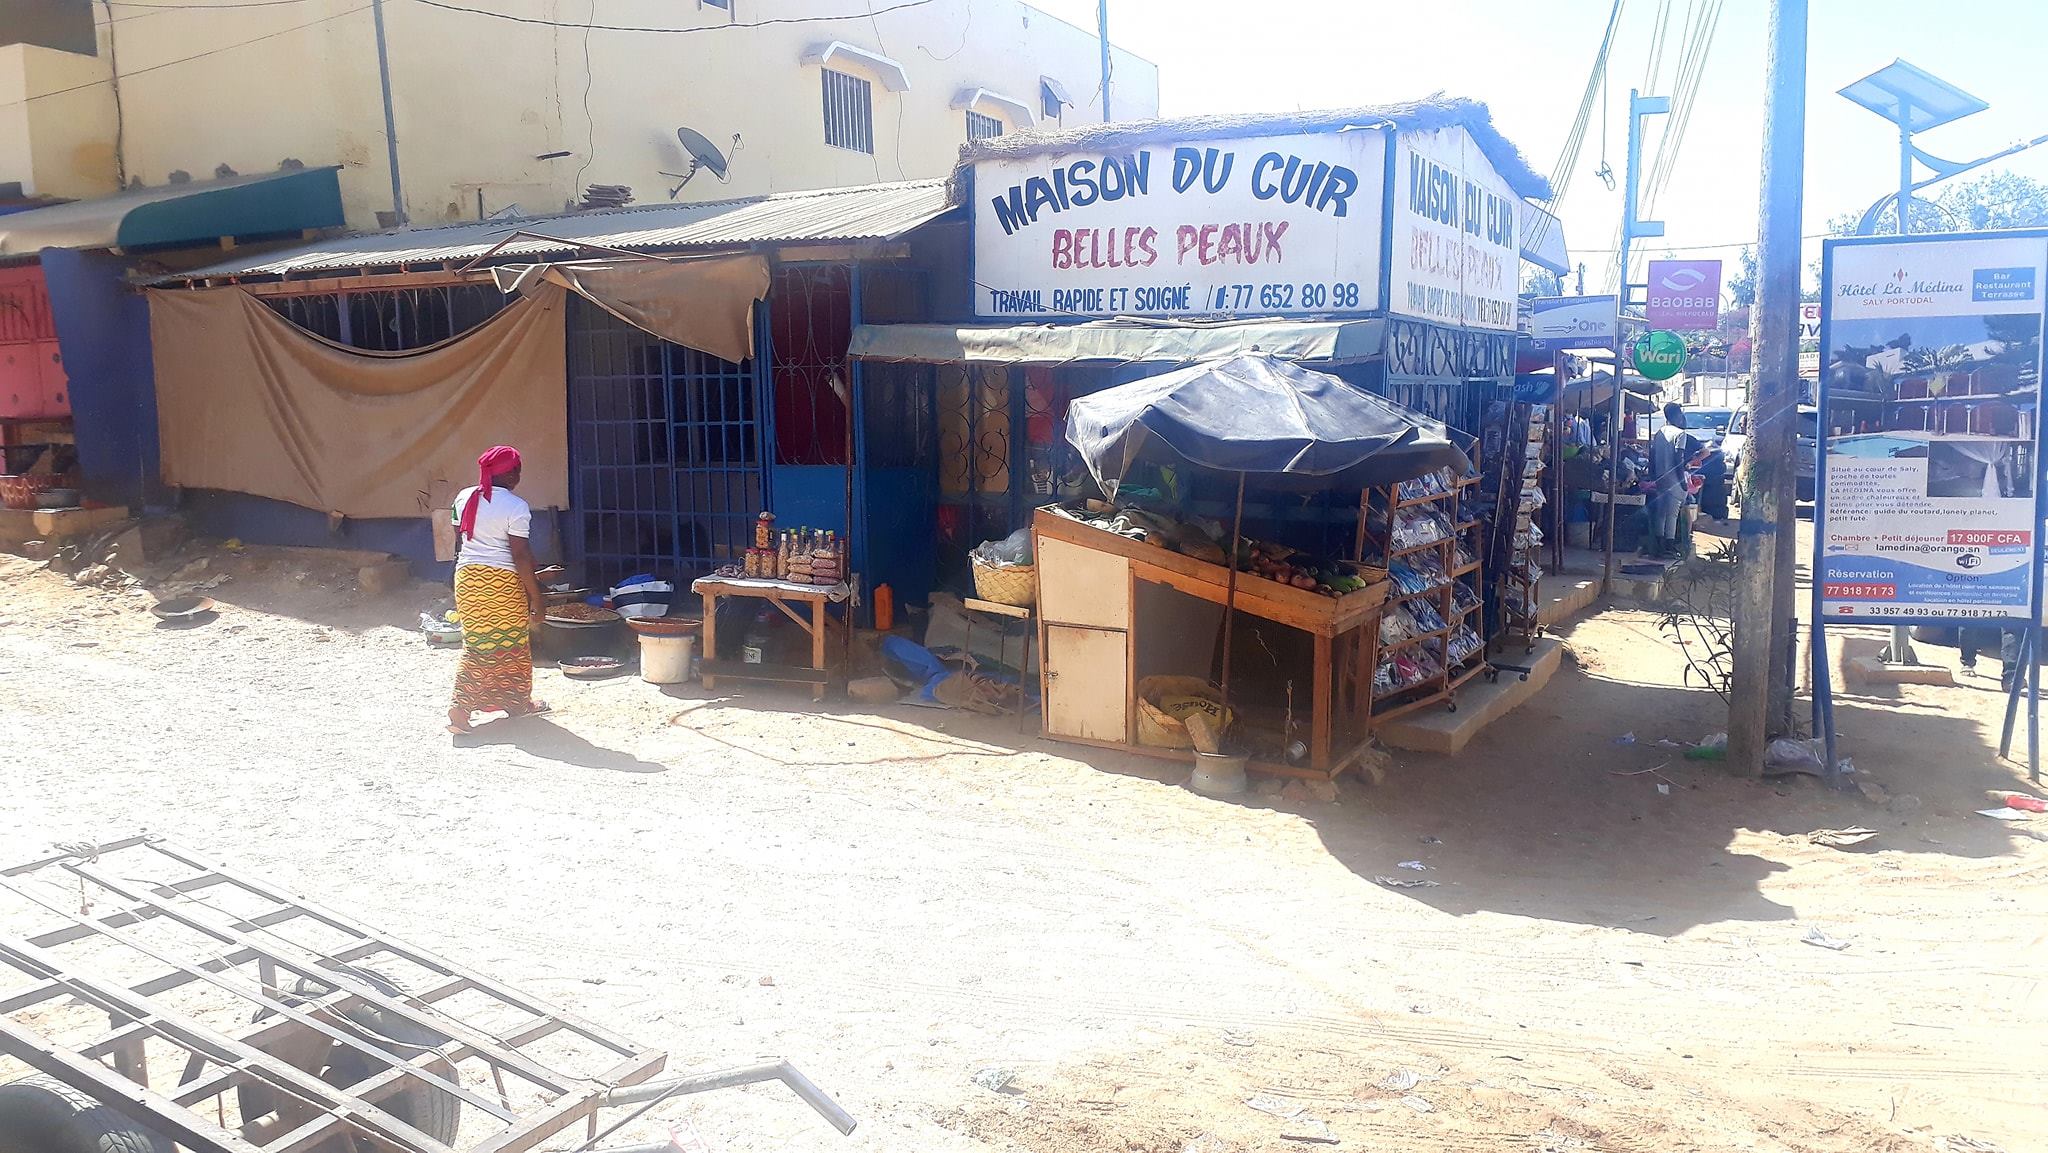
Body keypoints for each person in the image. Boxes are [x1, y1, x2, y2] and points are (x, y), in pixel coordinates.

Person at [448, 445, 548, 735]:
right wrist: (537, 597)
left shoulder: (463, 497)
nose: (519, 475)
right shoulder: (516, 506)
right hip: (501, 582)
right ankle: (460, 709)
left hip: (467, 578)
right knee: (505, 642)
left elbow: (461, 539)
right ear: (512, 473)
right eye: (517, 469)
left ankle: (515, 702)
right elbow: (520, 555)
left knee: (484, 641)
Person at [1646, 402, 1703, 558]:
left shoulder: (1660, 433)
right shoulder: (1680, 434)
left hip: (1660, 479)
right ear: (1677, 415)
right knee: (1672, 514)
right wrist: (1682, 482)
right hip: (1674, 479)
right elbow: (1679, 459)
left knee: (1661, 513)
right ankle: (1668, 547)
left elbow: (1652, 456)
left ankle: (1658, 546)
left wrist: (1653, 476)